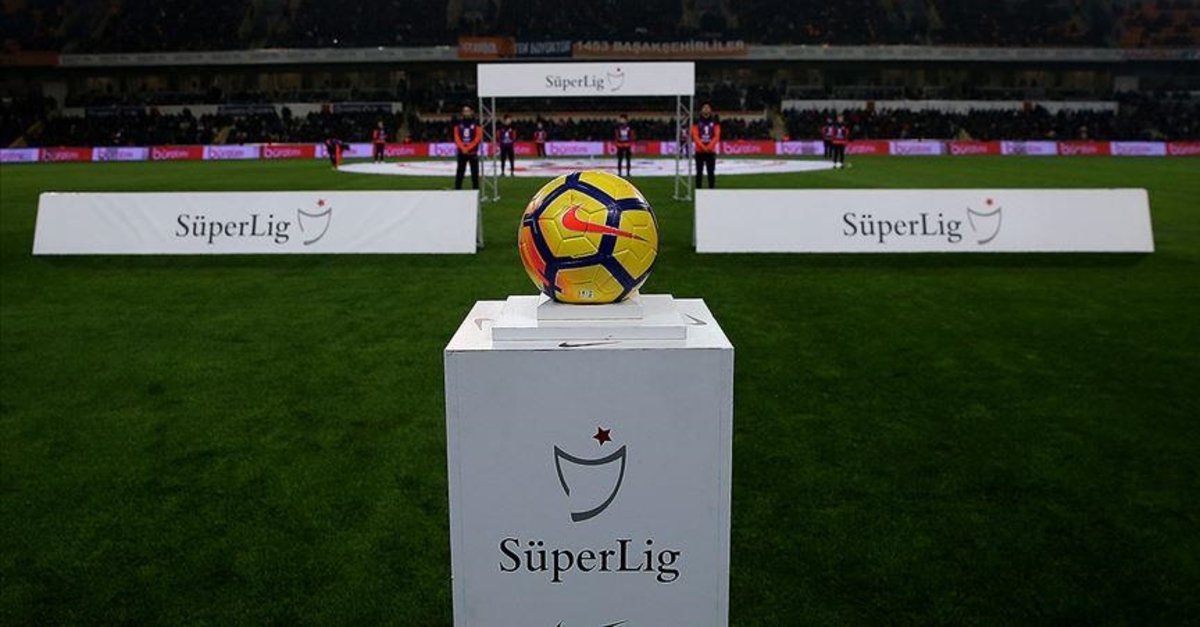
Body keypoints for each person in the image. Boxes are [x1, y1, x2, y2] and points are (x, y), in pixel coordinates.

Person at [692, 102, 720, 189]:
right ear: (701, 110)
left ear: (710, 110)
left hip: (711, 152)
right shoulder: (696, 120)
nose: (706, 109)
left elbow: (717, 135)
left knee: (711, 172)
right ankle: (699, 190)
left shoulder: (715, 120)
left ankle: (711, 191)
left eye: (708, 107)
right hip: (699, 151)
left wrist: (709, 147)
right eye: (704, 107)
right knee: (699, 172)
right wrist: (703, 147)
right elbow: (695, 135)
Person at [454, 105, 481, 189]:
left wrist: (468, 148)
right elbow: (456, 137)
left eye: (468, 111)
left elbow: (478, 138)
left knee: (475, 173)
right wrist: (463, 148)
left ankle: (475, 190)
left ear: (472, 112)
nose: (466, 113)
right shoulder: (458, 123)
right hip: (462, 152)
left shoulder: (477, 123)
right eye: (464, 111)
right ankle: (457, 189)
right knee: (460, 172)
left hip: (473, 152)